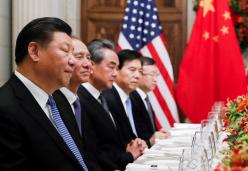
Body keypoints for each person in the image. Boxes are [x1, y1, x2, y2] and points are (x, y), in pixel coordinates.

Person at [0, 17, 91, 170]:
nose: (73, 61)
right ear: (34, 51)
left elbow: (78, 157)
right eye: (65, 50)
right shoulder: (5, 108)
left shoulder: (60, 99)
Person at [79, 39, 143, 170]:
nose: (115, 73)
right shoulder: (80, 99)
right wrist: (129, 156)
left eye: (117, 68)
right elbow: (93, 151)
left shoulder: (104, 96)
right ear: (91, 66)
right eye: (111, 67)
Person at [53, 37, 102, 171]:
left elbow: (89, 152)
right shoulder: (52, 104)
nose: (88, 64)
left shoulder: (81, 102)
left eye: (88, 57)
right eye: (79, 57)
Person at [102, 49, 148, 149]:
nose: (137, 76)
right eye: (132, 70)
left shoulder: (135, 96)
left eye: (140, 71)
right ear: (117, 70)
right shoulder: (107, 98)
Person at [130, 56, 170, 147]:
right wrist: (151, 140)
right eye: (152, 74)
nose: (155, 79)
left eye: (157, 75)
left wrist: (158, 134)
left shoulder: (144, 97)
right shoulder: (131, 99)